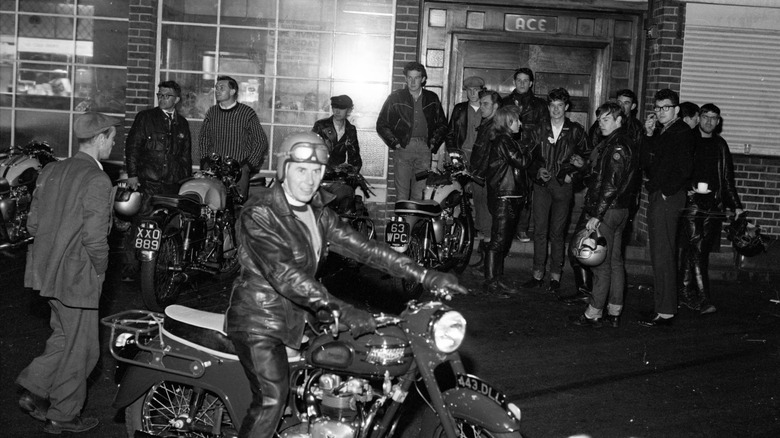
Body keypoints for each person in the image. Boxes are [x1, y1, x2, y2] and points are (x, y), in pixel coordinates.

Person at [224, 132, 467, 438]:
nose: (310, 179)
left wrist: (424, 275)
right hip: (259, 319)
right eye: (301, 170)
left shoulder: (319, 214)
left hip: (303, 316)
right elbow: (285, 275)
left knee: (350, 362)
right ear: (283, 169)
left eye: (316, 171)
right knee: (272, 397)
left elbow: (367, 250)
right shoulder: (260, 213)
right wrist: (343, 310)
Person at [16, 112, 121, 434]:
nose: (113, 145)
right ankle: (63, 414)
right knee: (84, 350)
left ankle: (34, 387)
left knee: (64, 337)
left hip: (46, 272)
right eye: (113, 139)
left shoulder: (52, 169)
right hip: (77, 276)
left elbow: (32, 223)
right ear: (101, 138)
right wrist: (101, 270)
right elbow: (94, 237)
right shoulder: (97, 179)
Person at [568, 101, 640, 328]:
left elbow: (610, 184)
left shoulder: (617, 146)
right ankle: (615, 310)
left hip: (608, 211)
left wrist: (597, 215)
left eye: (606, 119)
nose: (601, 123)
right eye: (599, 119)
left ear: (619, 120)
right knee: (615, 261)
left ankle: (593, 312)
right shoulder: (624, 142)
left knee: (601, 264)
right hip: (621, 210)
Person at [121, 80, 192, 281]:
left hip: (171, 184)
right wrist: (133, 175)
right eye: (159, 95)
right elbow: (132, 147)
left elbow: (186, 156)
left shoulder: (183, 124)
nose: (162, 98)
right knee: (141, 224)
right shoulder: (145, 118)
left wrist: (185, 182)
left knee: (168, 225)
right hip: (148, 181)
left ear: (177, 99)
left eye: (167, 95)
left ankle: (157, 268)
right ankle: (132, 269)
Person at [678, 103, 743, 315]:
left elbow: (727, 180)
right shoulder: (689, 140)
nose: (709, 121)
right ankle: (704, 299)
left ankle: (685, 292)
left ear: (718, 121)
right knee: (696, 247)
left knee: (697, 250)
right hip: (691, 203)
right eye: (705, 117)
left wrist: (736, 206)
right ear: (699, 118)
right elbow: (677, 169)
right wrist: (686, 188)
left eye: (714, 118)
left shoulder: (720, 145)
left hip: (713, 206)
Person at [521, 88, 589, 292]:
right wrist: (536, 170)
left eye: (560, 106)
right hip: (542, 185)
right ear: (548, 107)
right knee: (540, 231)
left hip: (563, 186)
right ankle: (537, 274)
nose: (556, 110)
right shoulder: (538, 128)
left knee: (557, 233)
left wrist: (573, 174)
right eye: (552, 106)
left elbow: (588, 159)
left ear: (566, 107)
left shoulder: (576, 130)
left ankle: (555, 277)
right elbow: (527, 157)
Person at [638, 88, 695, 327]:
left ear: (677, 110)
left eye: (666, 108)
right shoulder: (667, 131)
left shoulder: (681, 132)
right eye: (658, 108)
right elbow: (651, 163)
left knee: (663, 254)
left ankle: (667, 311)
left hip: (667, 198)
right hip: (662, 196)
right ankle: (662, 306)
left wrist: (663, 191)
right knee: (660, 253)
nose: (661, 112)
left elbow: (684, 170)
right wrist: (650, 135)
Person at [376, 61, 447, 201]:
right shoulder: (395, 97)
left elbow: (442, 124)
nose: (413, 81)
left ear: (423, 79)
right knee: (402, 194)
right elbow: (381, 124)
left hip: (424, 149)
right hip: (403, 149)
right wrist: (395, 143)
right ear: (405, 78)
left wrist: (432, 144)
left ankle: (414, 223)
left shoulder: (432, 98)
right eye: (409, 77)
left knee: (419, 194)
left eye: (417, 77)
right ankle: (403, 222)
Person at [483, 105, 533, 295]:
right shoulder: (504, 140)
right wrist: (531, 148)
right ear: (507, 122)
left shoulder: (505, 140)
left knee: (502, 241)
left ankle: (496, 278)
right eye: (516, 120)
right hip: (505, 196)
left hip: (508, 195)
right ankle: (491, 283)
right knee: (498, 241)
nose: (520, 123)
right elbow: (521, 162)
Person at [198, 75, 269, 199]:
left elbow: (260, 141)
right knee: (213, 207)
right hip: (214, 172)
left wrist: (247, 166)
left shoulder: (247, 113)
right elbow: (204, 138)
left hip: (239, 172)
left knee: (237, 209)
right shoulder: (212, 112)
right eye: (216, 88)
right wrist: (205, 162)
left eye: (222, 87)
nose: (217, 91)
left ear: (232, 91)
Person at [502, 67, 549, 243]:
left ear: (530, 83)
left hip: (530, 153)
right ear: (514, 82)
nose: (522, 83)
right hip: (508, 152)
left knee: (526, 192)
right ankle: (507, 227)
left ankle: (522, 228)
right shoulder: (505, 102)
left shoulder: (540, 105)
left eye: (525, 80)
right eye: (518, 80)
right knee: (508, 190)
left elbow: (544, 132)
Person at [468, 90, 502, 271]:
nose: (481, 107)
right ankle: (484, 261)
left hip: (486, 180)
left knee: (487, 222)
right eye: (481, 103)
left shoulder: (495, 127)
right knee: (481, 220)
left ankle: (489, 267)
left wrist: (478, 175)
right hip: (479, 178)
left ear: (496, 106)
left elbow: (490, 158)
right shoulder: (486, 123)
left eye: (485, 104)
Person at [312, 94, 362, 172]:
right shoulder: (320, 126)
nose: (337, 111)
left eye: (341, 108)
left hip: (338, 176)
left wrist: (351, 172)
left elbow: (354, 157)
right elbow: (311, 150)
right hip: (319, 171)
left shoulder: (350, 129)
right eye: (335, 107)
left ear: (349, 110)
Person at [445, 75, 485, 160]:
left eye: (476, 90)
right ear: (466, 91)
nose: (472, 93)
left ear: (482, 91)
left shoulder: (486, 110)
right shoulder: (459, 109)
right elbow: (449, 134)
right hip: (462, 154)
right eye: (469, 90)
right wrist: (454, 154)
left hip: (482, 156)